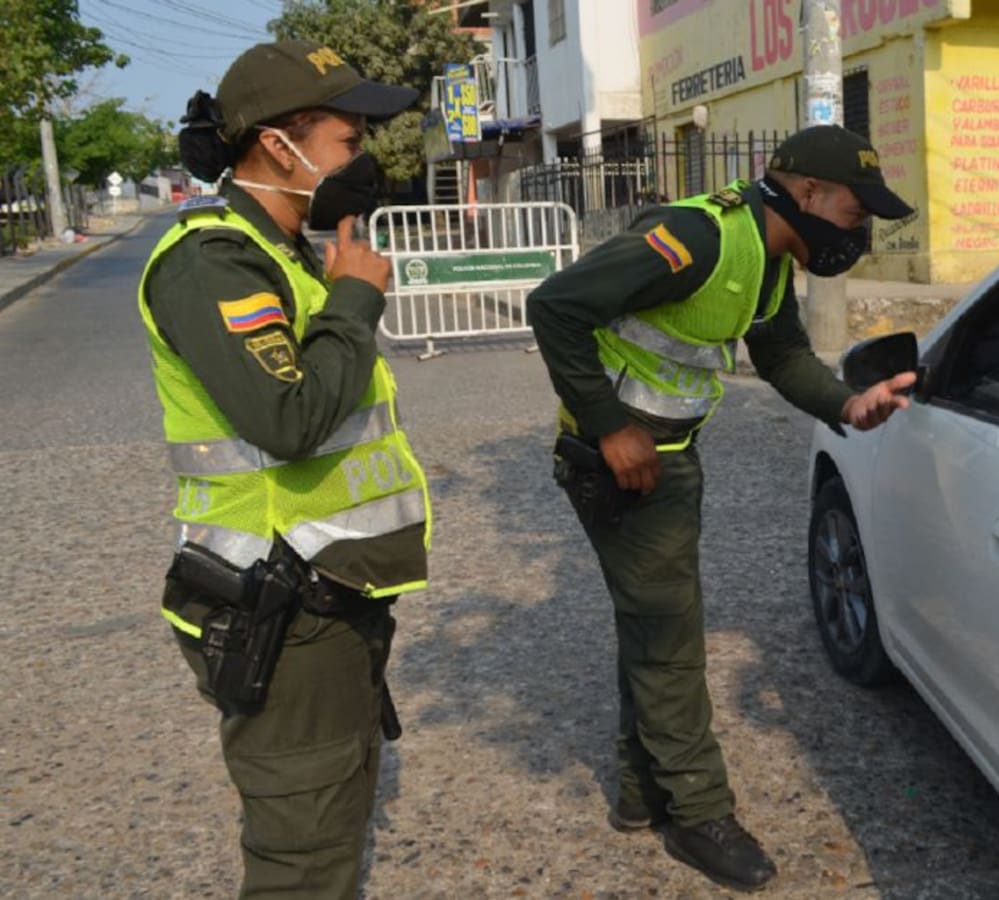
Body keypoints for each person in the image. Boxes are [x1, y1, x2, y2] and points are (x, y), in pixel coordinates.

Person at [526, 125, 916, 892]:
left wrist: (849, 402)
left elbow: (781, 357)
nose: (859, 230)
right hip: (624, 467)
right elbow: (556, 306)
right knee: (671, 637)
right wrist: (611, 429)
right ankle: (699, 813)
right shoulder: (697, 237)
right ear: (806, 193)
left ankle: (644, 795)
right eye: (854, 211)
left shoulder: (767, 259)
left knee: (654, 625)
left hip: (665, 458)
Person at [138, 40, 431, 898]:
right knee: (301, 857)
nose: (365, 160)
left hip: (332, 594)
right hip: (282, 605)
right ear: (279, 142)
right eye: (349, 139)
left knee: (332, 823)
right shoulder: (211, 260)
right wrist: (354, 298)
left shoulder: (288, 252)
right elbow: (290, 419)